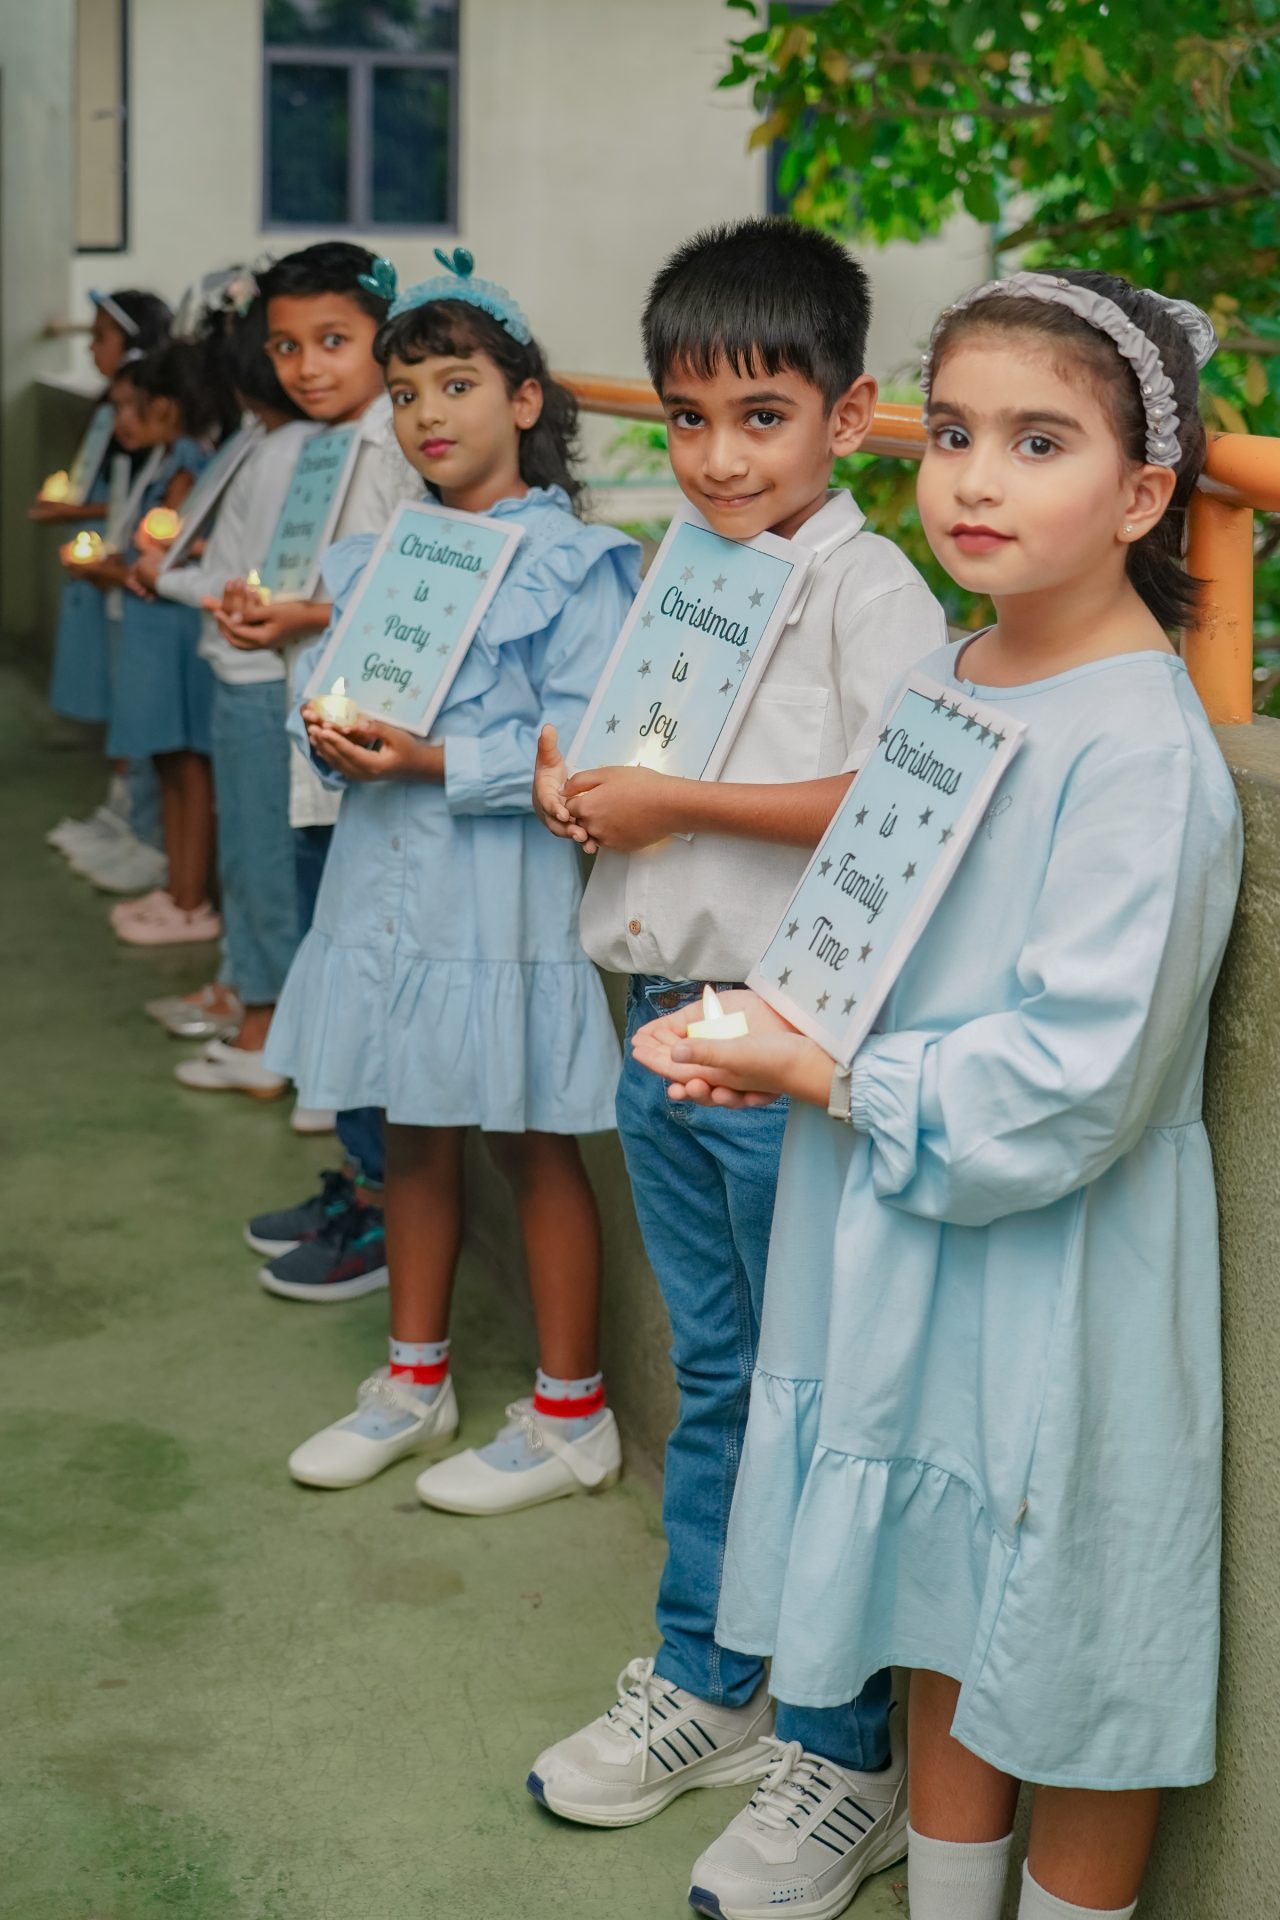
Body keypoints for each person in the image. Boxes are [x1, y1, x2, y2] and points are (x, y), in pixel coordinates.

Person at [631, 270, 1240, 1920]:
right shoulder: (946, 678)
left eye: (1037, 443)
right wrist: (754, 1019)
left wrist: (823, 1068)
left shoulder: (1143, 752)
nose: (972, 478)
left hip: (1055, 1276)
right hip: (903, 1233)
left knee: (1070, 1644)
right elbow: (863, 927)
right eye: (953, 432)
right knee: (937, 1599)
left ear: (1141, 495)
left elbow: (1077, 1080)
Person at [528, 217, 947, 1911]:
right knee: (718, 1380)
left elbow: (905, 805)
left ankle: (846, 1757)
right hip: (665, 1033)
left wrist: (677, 805)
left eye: (760, 416)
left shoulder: (872, 586)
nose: (716, 455)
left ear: (848, 416)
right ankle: (711, 1680)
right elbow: (651, 760)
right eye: (688, 418)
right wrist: (586, 794)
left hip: (787, 1059)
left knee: (813, 1406)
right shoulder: (684, 572)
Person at [265, 251, 641, 1515]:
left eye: (458, 383)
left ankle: (572, 1412)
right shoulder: (380, 559)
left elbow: (575, 754)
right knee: (412, 1125)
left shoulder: (580, 565)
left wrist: (432, 761)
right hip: (385, 887)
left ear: (525, 401)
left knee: (531, 1140)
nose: (427, 413)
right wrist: (328, 734)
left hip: (501, 895)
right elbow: (340, 698)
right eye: (407, 390)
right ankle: (411, 1380)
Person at [214, 242, 420, 1263]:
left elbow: (402, 589)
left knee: (360, 982)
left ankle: (383, 1207)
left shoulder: (392, 440)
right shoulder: (327, 441)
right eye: (286, 346)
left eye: (333, 341)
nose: (306, 366)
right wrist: (272, 604)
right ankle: (358, 1177)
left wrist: (296, 612)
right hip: (322, 744)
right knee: (332, 974)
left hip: (370, 763)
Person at [132, 296, 318, 1096]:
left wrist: (167, 574)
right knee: (248, 857)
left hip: (256, 670)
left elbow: (258, 576)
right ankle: (247, 994)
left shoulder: (291, 450)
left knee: (262, 859)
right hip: (239, 661)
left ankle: (266, 1024)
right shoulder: (267, 443)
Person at [64, 339, 236, 946]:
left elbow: (158, 566)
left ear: (172, 403)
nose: (125, 421)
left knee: (187, 763)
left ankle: (191, 900)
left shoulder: (188, 465)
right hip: (150, 632)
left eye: (141, 404)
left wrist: (103, 569)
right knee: (167, 760)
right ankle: (175, 889)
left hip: (172, 635)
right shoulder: (168, 460)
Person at [42, 287, 172, 893]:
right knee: (122, 703)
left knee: (145, 720)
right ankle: (124, 816)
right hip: (118, 573)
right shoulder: (120, 418)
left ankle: (142, 831)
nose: (92, 347)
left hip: (139, 584)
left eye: (102, 336)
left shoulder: (173, 447)